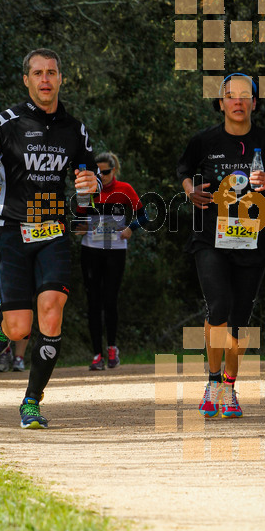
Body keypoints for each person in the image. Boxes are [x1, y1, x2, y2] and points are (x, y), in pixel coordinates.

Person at [0, 48, 100, 428]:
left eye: (51, 72)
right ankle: (0, 320)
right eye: (37, 73)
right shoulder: (6, 123)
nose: (45, 79)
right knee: (18, 328)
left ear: (61, 78)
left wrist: (92, 183)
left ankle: (32, 401)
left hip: (52, 232)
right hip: (12, 232)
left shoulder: (75, 128)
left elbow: (89, 184)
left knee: (51, 311)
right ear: (27, 79)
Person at [177, 73, 265, 418]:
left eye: (246, 95)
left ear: (255, 103)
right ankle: (213, 381)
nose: (239, 101)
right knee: (218, 305)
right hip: (209, 237)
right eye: (231, 95)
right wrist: (189, 190)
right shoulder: (204, 141)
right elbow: (184, 169)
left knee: (239, 320)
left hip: (252, 239)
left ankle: (229, 385)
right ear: (221, 103)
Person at [75, 152, 149, 370]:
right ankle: (97, 354)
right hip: (91, 249)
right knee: (93, 302)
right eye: (98, 172)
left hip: (115, 250)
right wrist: (81, 227)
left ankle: (112, 348)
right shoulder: (86, 190)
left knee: (110, 300)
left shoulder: (125, 189)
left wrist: (130, 228)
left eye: (105, 172)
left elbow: (144, 216)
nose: (102, 176)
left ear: (114, 170)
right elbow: (79, 219)